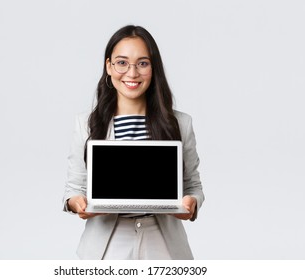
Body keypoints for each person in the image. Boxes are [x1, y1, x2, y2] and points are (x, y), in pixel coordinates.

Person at [63, 25, 204, 260]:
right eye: (122, 62)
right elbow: (73, 189)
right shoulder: (86, 124)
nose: (132, 73)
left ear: (153, 68)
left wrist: (191, 203)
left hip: (163, 244)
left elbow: (193, 187)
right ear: (109, 66)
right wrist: (77, 203)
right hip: (107, 245)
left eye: (142, 63)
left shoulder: (180, 123)